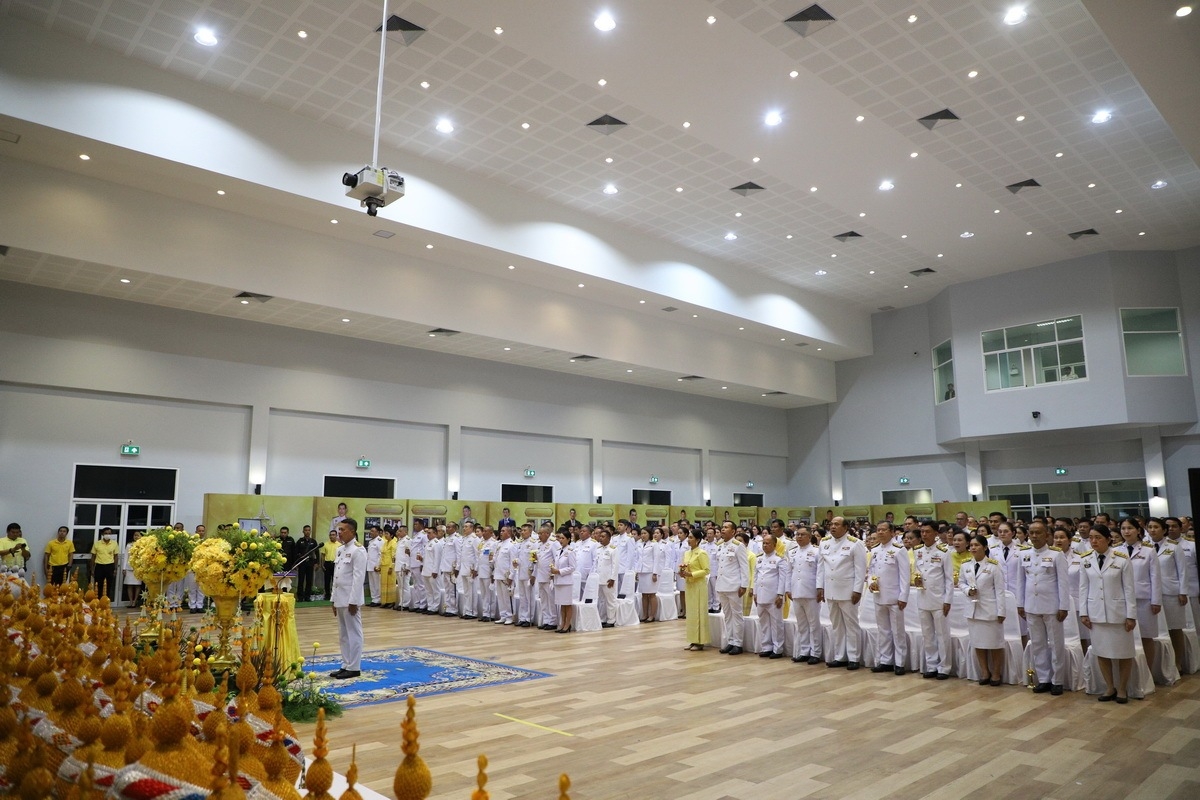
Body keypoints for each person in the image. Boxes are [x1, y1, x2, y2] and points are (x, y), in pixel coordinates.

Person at [1079, 524, 1136, 702]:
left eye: (1098, 537)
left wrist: (1131, 615)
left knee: (1124, 653)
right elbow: (1083, 588)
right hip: (1096, 613)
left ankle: (1122, 689)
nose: (1094, 541)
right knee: (1101, 652)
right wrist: (1083, 613)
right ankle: (1110, 687)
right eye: (1091, 538)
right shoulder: (1086, 559)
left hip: (1118, 613)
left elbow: (1129, 589)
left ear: (1108, 539)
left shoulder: (1121, 558)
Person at [1017, 521, 1070, 696]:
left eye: (1038, 532)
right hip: (1031, 605)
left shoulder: (1056, 555)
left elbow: (1063, 583)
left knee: (1056, 644)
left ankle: (1057, 680)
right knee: (1038, 644)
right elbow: (1021, 582)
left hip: (1052, 606)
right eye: (1031, 532)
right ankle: (1044, 679)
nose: (1034, 536)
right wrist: (1020, 604)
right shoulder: (1023, 554)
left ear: (1047, 535)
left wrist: (1063, 606)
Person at [817, 516, 867, 670]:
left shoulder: (855, 543)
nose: (833, 527)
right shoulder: (824, 542)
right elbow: (821, 567)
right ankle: (840, 656)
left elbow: (860, 569)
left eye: (837, 524)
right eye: (831, 524)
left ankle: (854, 657)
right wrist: (819, 587)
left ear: (845, 527)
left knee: (851, 625)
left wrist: (857, 590)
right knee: (836, 625)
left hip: (847, 590)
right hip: (830, 589)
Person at [1118, 517, 1162, 675]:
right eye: (1123, 528)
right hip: (1123, 600)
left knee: (1146, 636)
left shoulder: (1148, 550)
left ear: (1138, 530)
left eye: (1130, 528)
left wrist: (1156, 601)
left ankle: (1147, 673)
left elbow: (1155, 577)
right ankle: (1132, 674)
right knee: (1126, 637)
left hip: (1144, 599)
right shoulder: (1116, 550)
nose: (1126, 531)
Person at [961, 533, 1006, 686]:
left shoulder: (993, 566)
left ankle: (996, 672)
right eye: (971, 545)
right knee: (978, 642)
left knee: (994, 643)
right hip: (973, 609)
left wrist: (1001, 611)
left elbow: (1000, 590)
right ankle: (984, 671)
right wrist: (968, 590)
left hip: (990, 609)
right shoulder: (966, 565)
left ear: (985, 547)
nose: (973, 548)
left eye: (977, 545)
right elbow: (961, 582)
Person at [868, 521, 910, 675]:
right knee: (883, 630)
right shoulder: (874, 550)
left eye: (884, 530)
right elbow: (871, 571)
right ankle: (885, 660)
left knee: (897, 631)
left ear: (892, 532)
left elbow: (905, 575)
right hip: (879, 595)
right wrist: (871, 583)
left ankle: (899, 662)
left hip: (894, 596)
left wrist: (903, 596)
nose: (880, 532)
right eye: (878, 530)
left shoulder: (899, 550)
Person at [1147, 517, 1188, 675]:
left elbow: (1182, 571)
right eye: (1150, 527)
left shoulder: (1173, 546)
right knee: (1156, 630)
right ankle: (1160, 665)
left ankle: (1178, 662)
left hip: (1171, 592)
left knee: (1175, 628)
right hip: (1152, 593)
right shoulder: (1144, 547)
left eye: (1156, 527)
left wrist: (1182, 591)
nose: (1152, 530)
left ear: (1164, 530)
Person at [913, 521, 953, 679]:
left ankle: (944, 667)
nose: (924, 534)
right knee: (927, 634)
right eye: (922, 531)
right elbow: (918, 571)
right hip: (923, 597)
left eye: (927, 531)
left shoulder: (944, 552)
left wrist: (947, 600)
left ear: (936, 533)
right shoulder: (917, 550)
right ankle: (931, 665)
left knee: (942, 635)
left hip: (939, 599)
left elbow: (949, 579)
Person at [330, 518, 366, 680]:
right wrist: (333, 599)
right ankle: (346, 664)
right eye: (339, 529)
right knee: (343, 634)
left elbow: (358, 578)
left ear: (352, 531)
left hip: (350, 599)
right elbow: (337, 576)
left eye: (343, 530)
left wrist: (354, 601)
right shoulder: (340, 549)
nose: (340, 533)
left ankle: (354, 667)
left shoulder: (358, 550)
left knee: (354, 633)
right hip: (340, 597)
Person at [714, 521, 749, 655]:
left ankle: (738, 643)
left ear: (733, 531)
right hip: (722, 585)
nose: (723, 529)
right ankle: (731, 641)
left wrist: (744, 585)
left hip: (734, 586)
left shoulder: (738, 546)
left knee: (737, 615)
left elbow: (744, 566)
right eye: (722, 527)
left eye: (726, 527)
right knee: (727, 616)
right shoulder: (719, 545)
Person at [753, 532, 789, 659]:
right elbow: (756, 577)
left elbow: (783, 579)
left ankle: (777, 649)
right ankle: (766, 647)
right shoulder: (759, 558)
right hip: (761, 595)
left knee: (776, 623)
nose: (765, 545)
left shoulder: (780, 559)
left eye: (768, 543)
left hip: (774, 596)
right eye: (763, 543)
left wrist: (780, 595)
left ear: (774, 545)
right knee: (764, 623)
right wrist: (755, 593)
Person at [679, 530, 711, 650]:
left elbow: (706, 570)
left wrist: (692, 574)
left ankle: (700, 641)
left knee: (699, 612)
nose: (688, 540)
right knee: (691, 613)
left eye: (691, 537)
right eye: (688, 537)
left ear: (697, 540)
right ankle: (693, 640)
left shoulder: (701, 553)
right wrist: (682, 572)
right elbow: (685, 566)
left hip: (699, 586)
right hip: (689, 585)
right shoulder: (687, 553)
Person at [550, 530, 577, 633]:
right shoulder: (558, 551)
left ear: (568, 539)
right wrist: (553, 570)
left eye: (563, 538)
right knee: (561, 603)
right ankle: (562, 623)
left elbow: (572, 567)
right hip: (558, 580)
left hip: (566, 581)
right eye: (559, 538)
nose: (560, 540)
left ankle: (567, 624)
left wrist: (559, 571)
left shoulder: (570, 551)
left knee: (567, 604)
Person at [534, 523, 560, 631]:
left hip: (549, 576)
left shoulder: (553, 544)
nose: (539, 535)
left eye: (541, 533)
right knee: (543, 599)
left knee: (550, 599)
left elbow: (557, 559)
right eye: (538, 533)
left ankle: (553, 621)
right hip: (540, 575)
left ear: (547, 534)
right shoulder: (539, 545)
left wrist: (553, 574)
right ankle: (546, 620)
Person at [636, 528, 665, 623]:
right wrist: (636, 571)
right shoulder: (639, 544)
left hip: (650, 572)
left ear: (649, 534)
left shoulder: (654, 544)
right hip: (642, 571)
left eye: (645, 533)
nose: (643, 535)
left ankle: (652, 615)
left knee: (652, 594)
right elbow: (637, 558)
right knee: (643, 594)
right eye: (641, 533)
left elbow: (656, 559)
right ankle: (645, 614)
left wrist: (655, 573)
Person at [594, 527, 619, 628]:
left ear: (609, 538)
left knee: (610, 600)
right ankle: (602, 618)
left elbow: (615, 565)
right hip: (599, 579)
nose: (600, 538)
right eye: (600, 536)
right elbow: (596, 564)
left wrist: (613, 579)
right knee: (601, 600)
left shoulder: (613, 549)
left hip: (608, 579)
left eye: (603, 537)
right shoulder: (598, 549)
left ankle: (611, 620)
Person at [493, 525, 516, 625]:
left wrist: (511, 576)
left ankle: (509, 616)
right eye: (501, 531)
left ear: (509, 533)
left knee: (507, 596)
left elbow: (513, 562)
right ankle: (503, 615)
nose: (501, 533)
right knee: (500, 596)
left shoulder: (512, 545)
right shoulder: (499, 544)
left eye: (503, 531)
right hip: (498, 573)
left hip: (506, 575)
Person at [91, 527, 120, 601]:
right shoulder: (97, 543)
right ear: (102, 534)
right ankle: (98, 601)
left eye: (109, 533)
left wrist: (115, 568)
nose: (107, 535)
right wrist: (92, 569)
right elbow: (93, 556)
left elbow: (116, 556)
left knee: (109, 585)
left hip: (110, 566)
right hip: (99, 566)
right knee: (98, 585)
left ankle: (106, 602)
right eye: (106, 533)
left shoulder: (114, 543)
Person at [294, 525, 321, 602]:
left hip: (310, 563)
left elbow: (317, 553)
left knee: (309, 580)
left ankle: (307, 596)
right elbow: (295, 553)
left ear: (310, 531)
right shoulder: (300, 541)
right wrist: (296, 564)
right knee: (301, 580)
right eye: (306, 530)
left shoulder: (313, 542)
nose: (307, 532)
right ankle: (300, 597)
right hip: (302, 563)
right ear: (303, 531)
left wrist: (317, 563)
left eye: (309, 530)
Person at [123, 530, 144, 604]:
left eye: (138, 535)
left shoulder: (144, 545)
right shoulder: (129, 545)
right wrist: (124, 568)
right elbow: (126, 556)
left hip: (138, 568)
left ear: (141, 536)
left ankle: (135, 601)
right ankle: (131, 601)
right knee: (129, 585)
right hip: (129, 568)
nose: (136, 537)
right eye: (135, 535)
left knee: (137, 585)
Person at [379, 528, 397, 609]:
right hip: (383, 565)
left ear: (391, 535)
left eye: (387, 534)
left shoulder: (393, 543)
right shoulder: (385, 543)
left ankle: (391, 601)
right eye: (385, 534)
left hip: (389, 566)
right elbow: (381, 555)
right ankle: (385, 601)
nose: (385, 535)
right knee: (384, 584)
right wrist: (379, 566)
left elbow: (394, 557)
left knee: (390, 584)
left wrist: (391, 567)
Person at [365, 526, 383, 607]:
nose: (370, 532)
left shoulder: (380, 541)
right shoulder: (371, 541)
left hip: (376, 566)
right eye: (370, 531)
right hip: (370, 565)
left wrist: (378, 565)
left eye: (372, 531)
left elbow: (381, 554)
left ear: (377, 532)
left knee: (377, 583)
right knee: (372, 584)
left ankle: (378, 599)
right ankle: (374, 599)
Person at [321, 530, 339, 601]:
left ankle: (335, 595)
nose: (332, 536)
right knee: (327, 580)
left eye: (333, 535)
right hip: (327, 564)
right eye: (330, 535)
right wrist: (322, 564)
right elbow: (322, 555)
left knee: (335, 580)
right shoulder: (325, 544)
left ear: (336, 536)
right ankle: (327, 595)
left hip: (336, 564)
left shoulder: (340, 545)